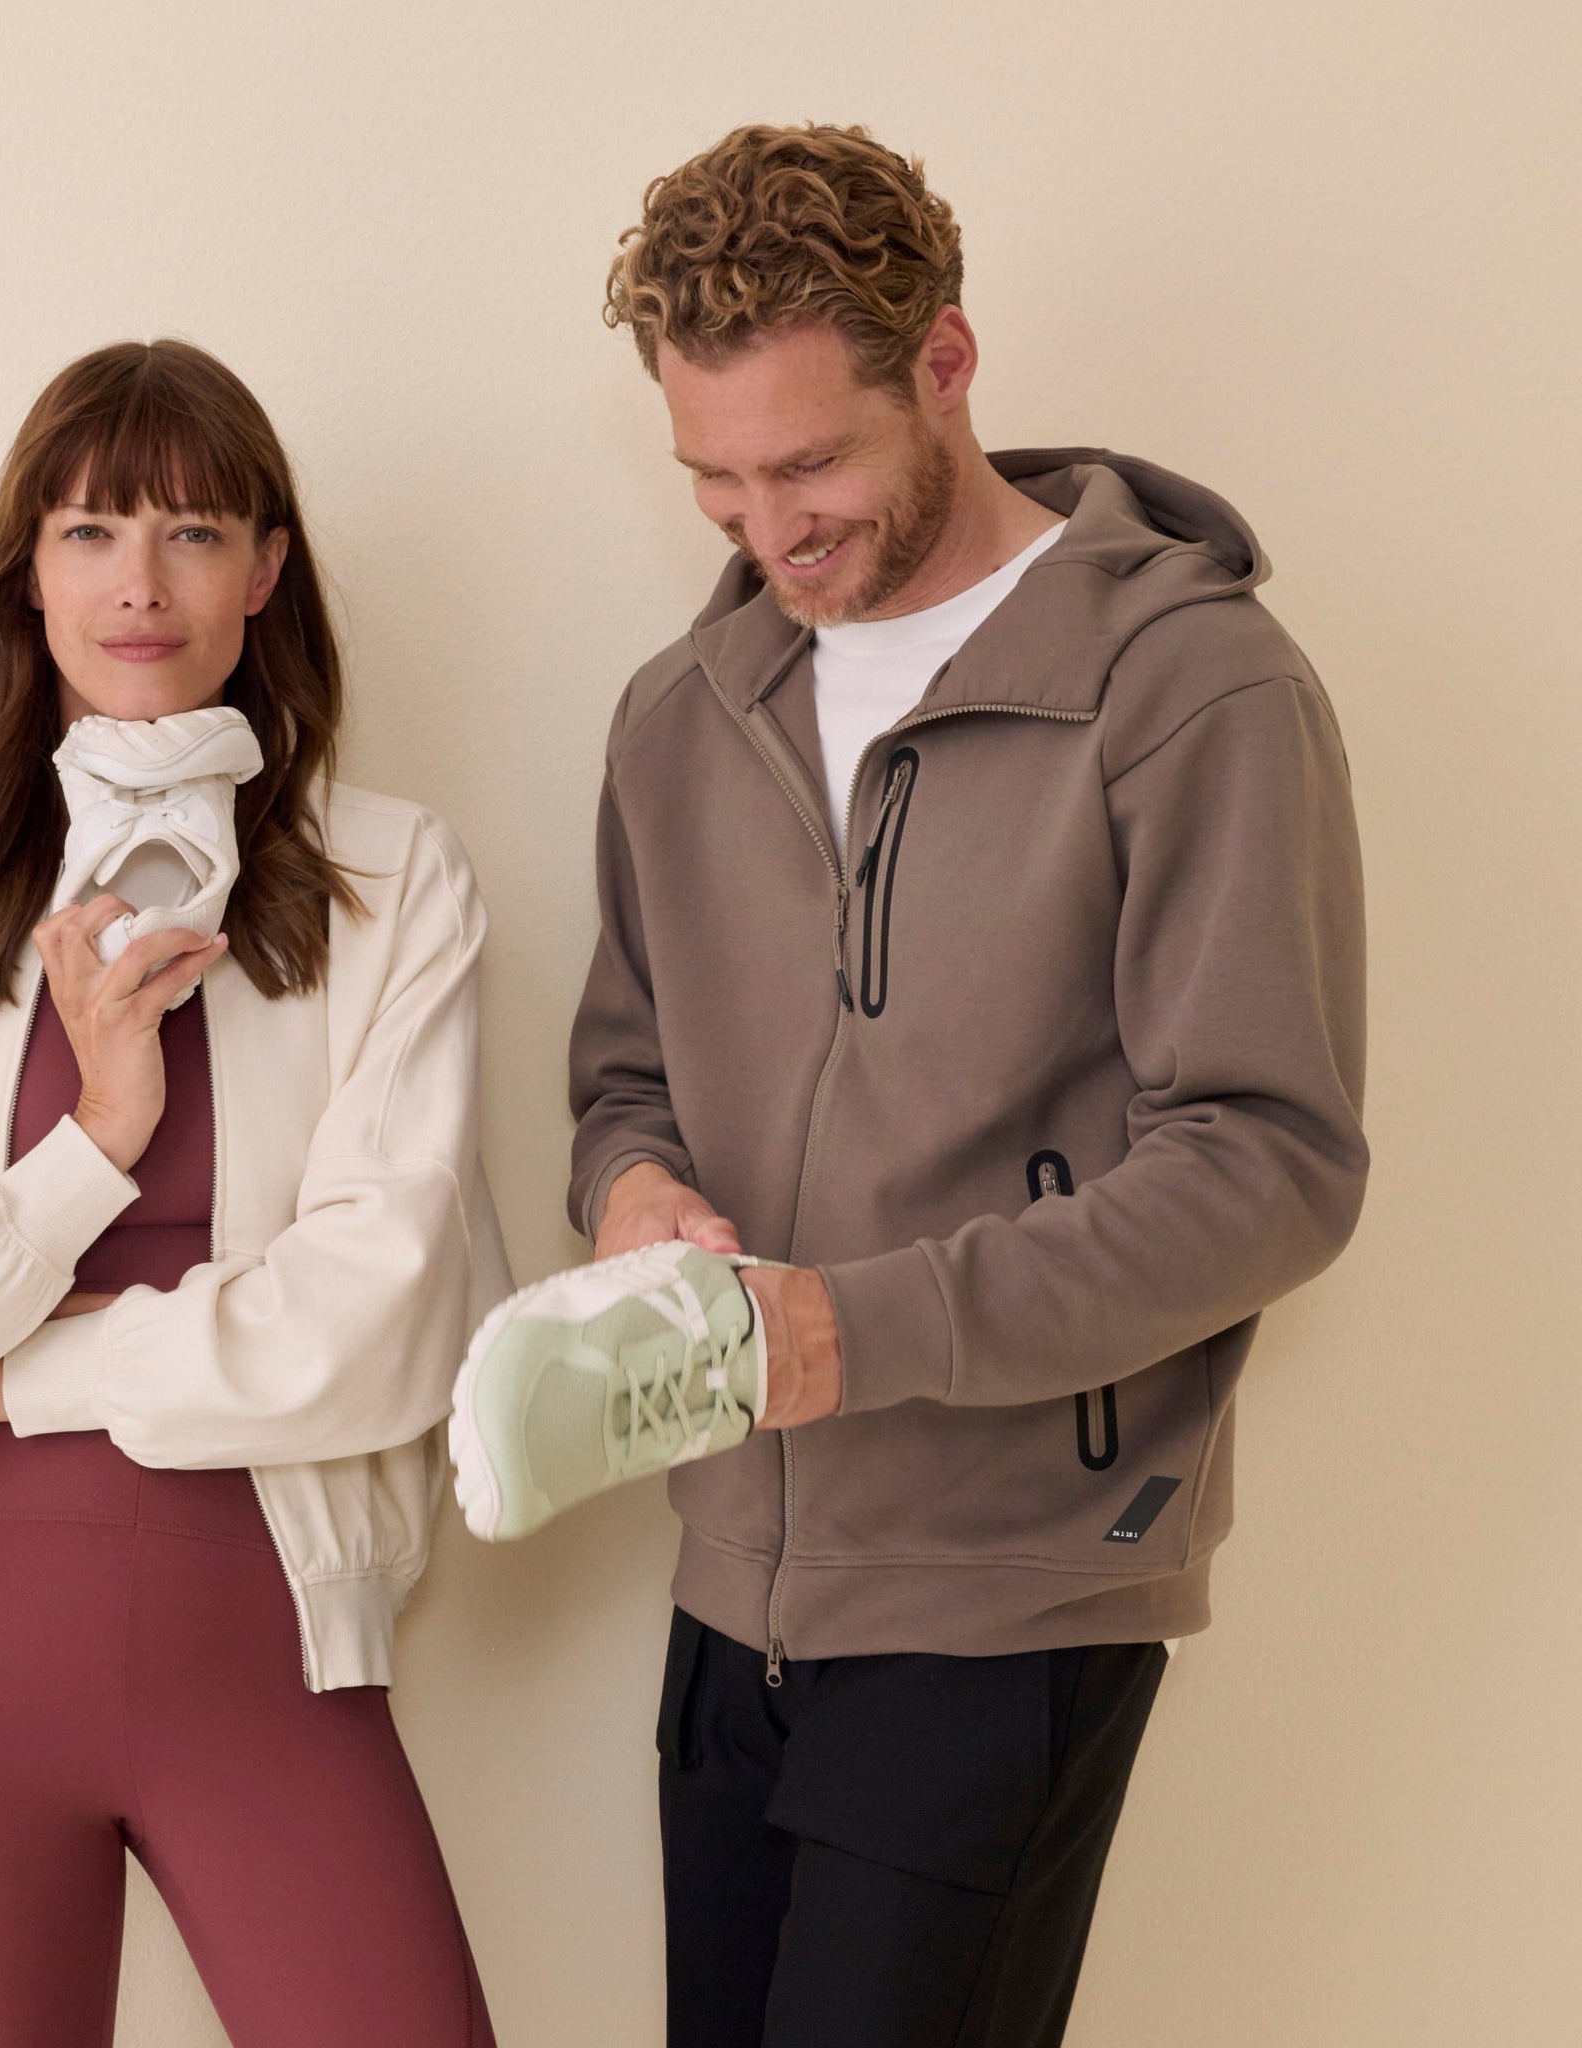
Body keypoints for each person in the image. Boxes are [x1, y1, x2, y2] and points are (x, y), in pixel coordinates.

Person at [451, 124, 1367, 2045]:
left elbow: (1268, 1162)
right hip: (732, 1588)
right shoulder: (683, 717)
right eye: (713, 481)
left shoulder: (1188, 689)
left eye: (810, 465)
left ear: (944, 364)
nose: (768, 532)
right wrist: (631, 1191)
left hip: (1005, 1601)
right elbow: (624, 1075)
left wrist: (849, 1334)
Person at [0, 338, 508, 2048]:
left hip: (268, 1646)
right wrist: (92, 1139)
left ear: (266, 570)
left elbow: (385, 1322)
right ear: (28, 573)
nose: (139, 585)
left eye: (192, 531)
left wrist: (12, 1372)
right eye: (90, 532)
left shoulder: (391, 880)